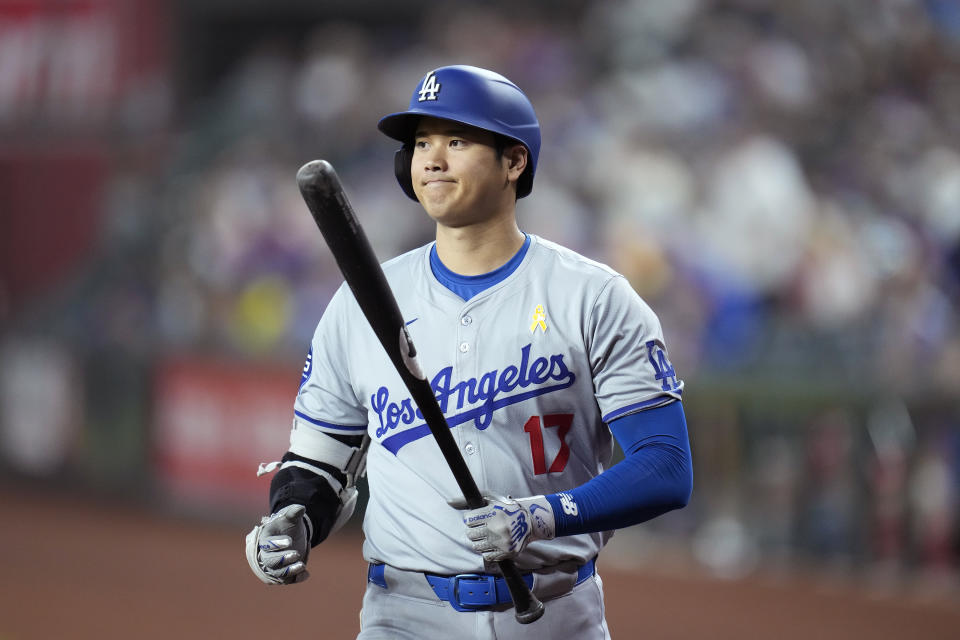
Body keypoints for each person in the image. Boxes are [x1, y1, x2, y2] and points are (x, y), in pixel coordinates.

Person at [245, 64, 693, 639]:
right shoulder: (359, 303)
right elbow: (319, 463)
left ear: (514, 161)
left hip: (556, 612)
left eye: (457, 140)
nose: (432, 159)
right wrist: (294, 519)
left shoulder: (593, 297)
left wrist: (543, 516)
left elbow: (665, 467)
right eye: (422, 143)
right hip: (403, 616)